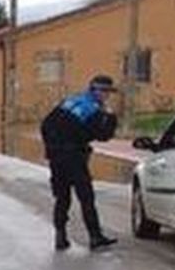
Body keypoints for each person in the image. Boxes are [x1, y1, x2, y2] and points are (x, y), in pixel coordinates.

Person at [40, 74, 120, 251]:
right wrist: (111, 117)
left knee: (62, 197)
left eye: (109, 92)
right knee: (86, 197)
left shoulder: (70, 101)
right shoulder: (94, 110)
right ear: (96, 91)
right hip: (74, 156)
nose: (107, 96)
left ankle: (60, 237)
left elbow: (45, 125)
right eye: (105, 92)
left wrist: (51, 149)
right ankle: (95, 236)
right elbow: (103, 135)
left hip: (56, 156)